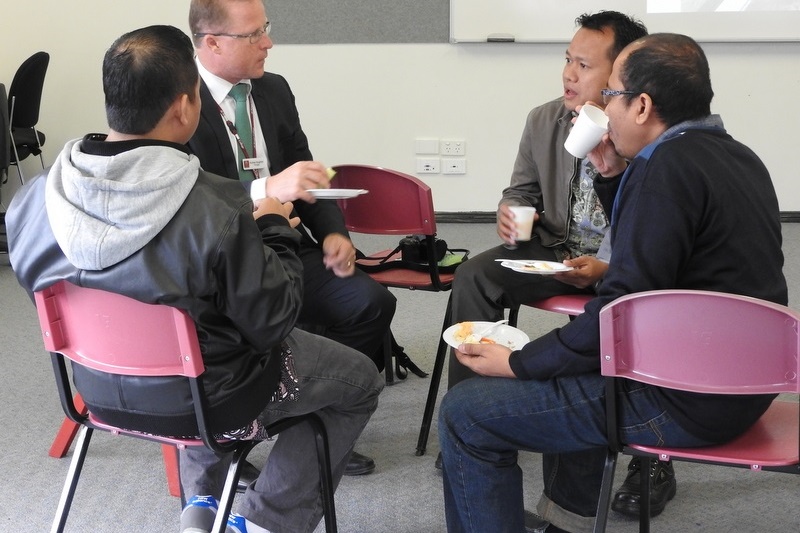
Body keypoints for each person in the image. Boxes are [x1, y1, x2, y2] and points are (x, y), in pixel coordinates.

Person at [5, 25, 384, 533]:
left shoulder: (32, 202)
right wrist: (273, 229)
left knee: (202, 340)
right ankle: (264, 521)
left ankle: (202, 504)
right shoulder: (218, 206)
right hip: (213, 400)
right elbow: (275, 319)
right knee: (358, 379)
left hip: (96, 390)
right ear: (185, 108)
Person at [438, 32, 787, 533]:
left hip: (682, 398)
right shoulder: (735, 156)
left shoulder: (665, 170)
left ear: (642, 105)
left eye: (611, 95)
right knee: (570, 364)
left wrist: (517, 363)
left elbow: (619, 313)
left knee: (465, 412)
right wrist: (610, 173)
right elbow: (660, 257)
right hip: (744, 383)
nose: (604, 105)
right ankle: (568, 521)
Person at [440, 11, 671, 524]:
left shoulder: (642, 134)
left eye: (584, 65)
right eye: (567, 59)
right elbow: (520, 190)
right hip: (552, 249)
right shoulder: (544, 118)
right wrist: (510, 213)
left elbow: (648, 235)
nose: (568, 74)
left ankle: (654, 461)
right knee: (475, 273)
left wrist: (604, 266)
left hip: (616, 263)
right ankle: (473, 412)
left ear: (620, 79)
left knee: (609, 323)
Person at [186, 0, 396, 478]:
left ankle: (311, 433)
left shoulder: (273, 89)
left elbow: (306, 171)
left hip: (287, 243)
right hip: (222, 262)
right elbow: (189, 194)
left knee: (371, 304)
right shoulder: (180, 99)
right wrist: (263, 190)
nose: (269, 43)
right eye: (254, 34)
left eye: (267, 29)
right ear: (212, 43)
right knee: (233, 333)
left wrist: (335, 235)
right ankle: (225, 447)